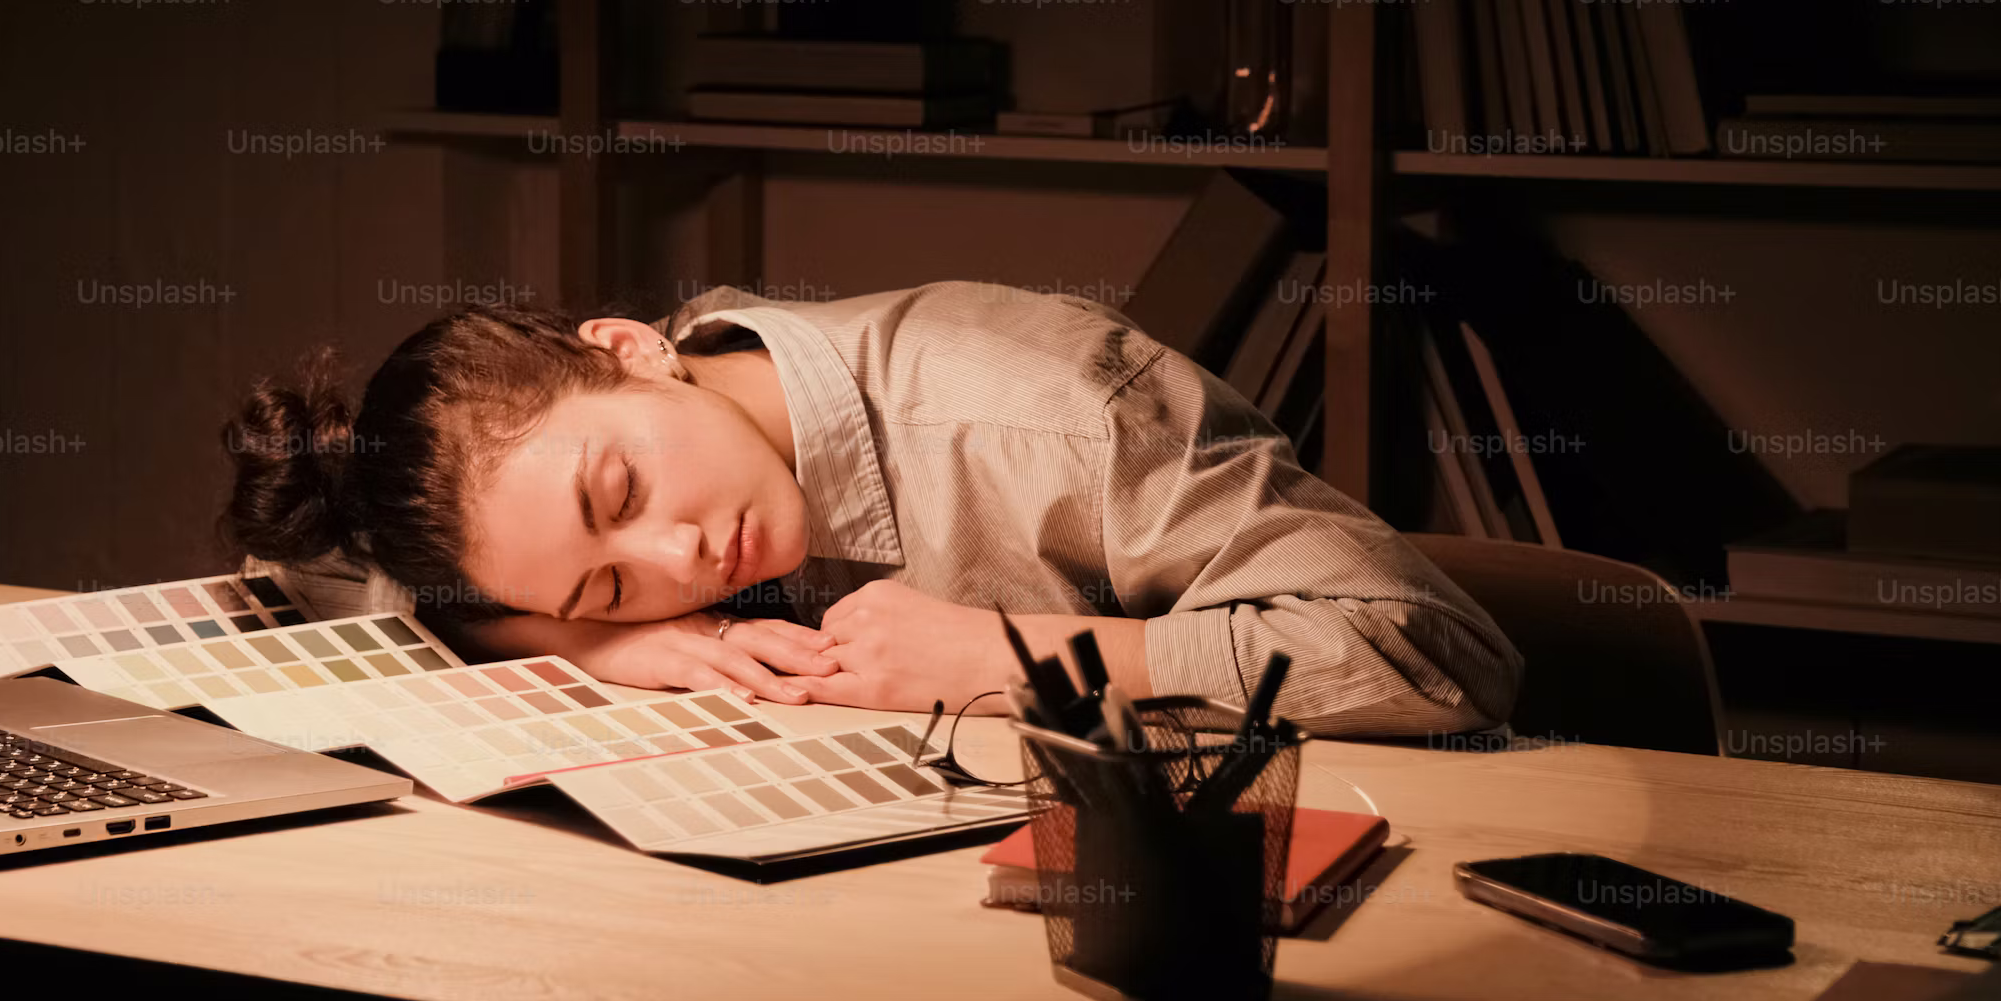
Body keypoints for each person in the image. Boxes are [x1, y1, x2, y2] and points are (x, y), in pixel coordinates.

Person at [223, 281, 1519, 736]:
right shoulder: (606, 477)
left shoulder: (1054, 412)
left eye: (621, 493)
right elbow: (328, 578)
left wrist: (1028, 662)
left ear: (628, 345)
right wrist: (597, 641)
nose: (682, 556)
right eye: (609, 577)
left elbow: (1433, 649)